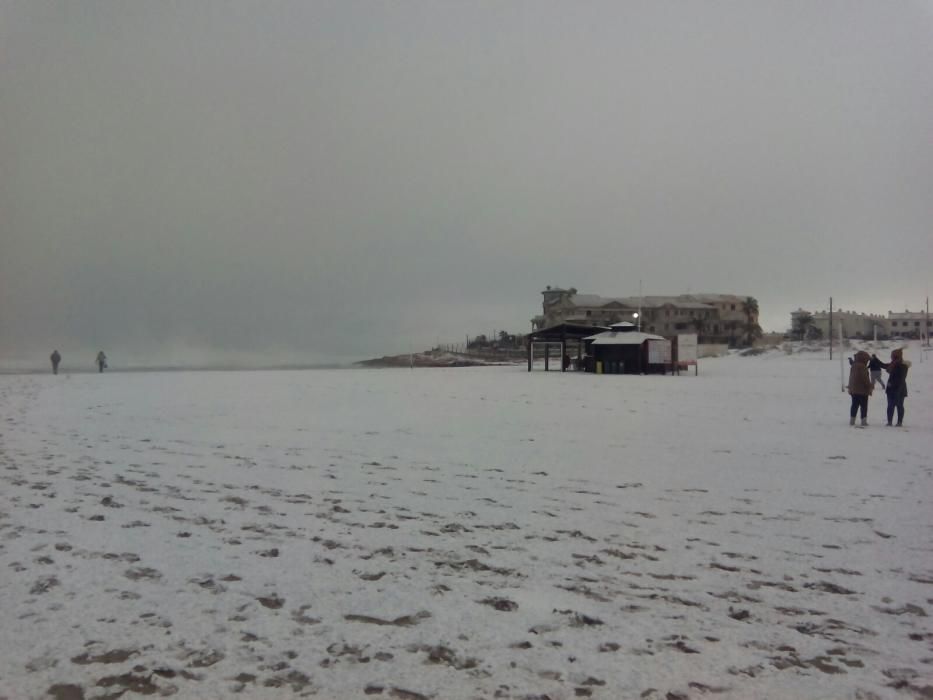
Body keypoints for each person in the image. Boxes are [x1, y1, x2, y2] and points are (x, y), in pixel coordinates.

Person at [882, 348, 910, 427]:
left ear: (895, 356)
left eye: (892, 355)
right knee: (891, 406)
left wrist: (892, 384)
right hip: (892, 388)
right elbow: (884, 365)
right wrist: (875, 360)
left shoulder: (902, 366)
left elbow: (900, 378)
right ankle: (890, 421)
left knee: (899, 405)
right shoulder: (893, 364)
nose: (891, 357)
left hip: (899, 389)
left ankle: (899, 422)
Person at [846, 350, 872, 426]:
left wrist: (850, 387)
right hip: (862, 390)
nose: (867, 361)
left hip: (854, 389)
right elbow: (865, 379)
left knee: (854, 405)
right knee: (864, 406)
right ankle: (863, 421)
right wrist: (869, 385)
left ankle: (852, 420)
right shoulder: (862, 366)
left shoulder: (854, 365)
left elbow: (851, 377)